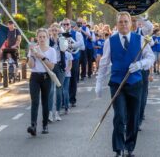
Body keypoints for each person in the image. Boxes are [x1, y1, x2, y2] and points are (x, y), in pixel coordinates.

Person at [95, 12, 155, 157]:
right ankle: (118, 148)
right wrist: (99, 82)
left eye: (126, 21)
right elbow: (104, 63)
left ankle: (130, 148)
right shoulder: (110, 41)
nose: (123, 24)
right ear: (117, 24)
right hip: (117, 83)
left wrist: (140, 64)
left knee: (133, 118)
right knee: (120, 116)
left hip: (135, 83)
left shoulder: (140, 39)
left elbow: (151, 57)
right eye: (120, 22)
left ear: (131, 23)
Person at [27, 28, 57, 136]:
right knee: (34, 101)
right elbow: (31, 65)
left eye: (44, 37)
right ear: (37, 38)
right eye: (40, 37)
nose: (42, 39)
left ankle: (45, 125)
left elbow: (52, 66)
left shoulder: (51, 51)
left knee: (45, 102)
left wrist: (42, 57)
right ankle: (33, 125)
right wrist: (32, 54)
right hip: (35, 76)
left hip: (46, 77)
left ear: (47, 38)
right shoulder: (33, 49)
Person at [61, 18, 84, 108]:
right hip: (64, 59)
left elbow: (81, 43)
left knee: (73, 78)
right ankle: (63, 100)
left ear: (70, 25)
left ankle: (72, 99)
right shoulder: (61, 34)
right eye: (64, 24)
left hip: (74, 58)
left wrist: (70, 45)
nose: (66, 26)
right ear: (62, 25)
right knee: (63, 79)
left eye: (67, 24)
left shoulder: (77, 33)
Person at [48, 23, 67, 122]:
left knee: (59, 91)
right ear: (50, 31)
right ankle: (50, 112)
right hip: (50, 66)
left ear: (59, 31)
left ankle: (57, 112)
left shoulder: (62, 40)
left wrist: (60, 40)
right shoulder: (48, 41)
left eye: (56, 30)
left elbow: (64, 49)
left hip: (60, 66)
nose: (55, 32)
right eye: (53, 30)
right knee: (50, 91)